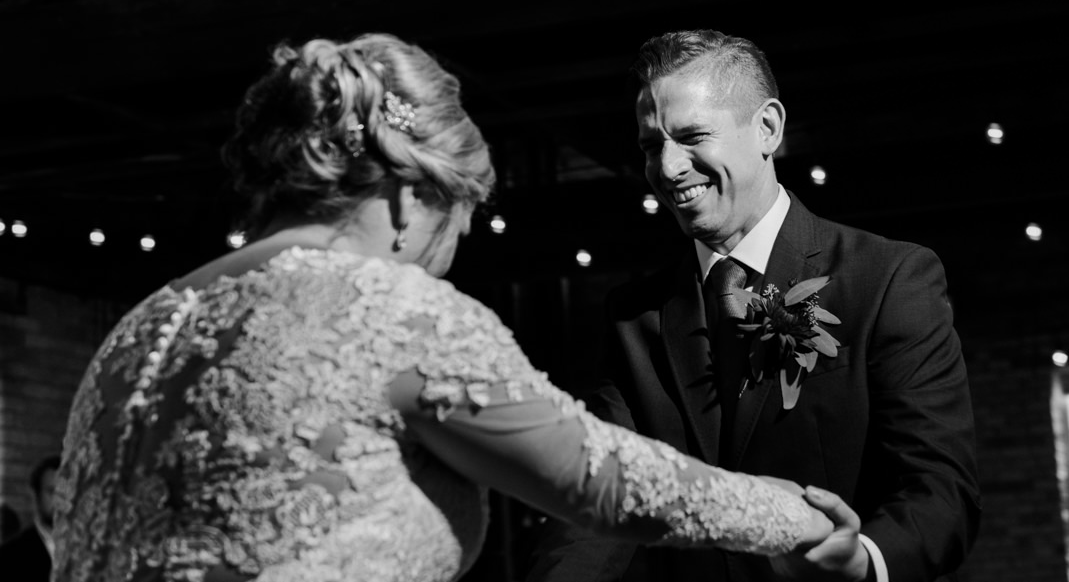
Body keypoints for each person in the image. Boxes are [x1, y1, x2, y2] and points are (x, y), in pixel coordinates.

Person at [51, 33, 834, 582]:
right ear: (405, 199)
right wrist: (793, 515)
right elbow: (607, 480)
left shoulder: (142, 323)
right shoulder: (389, 309)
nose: (447, 257)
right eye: (454, 221)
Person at [527, 30, 981, 582]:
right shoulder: (633, 317)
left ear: (767, 128)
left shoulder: (888, 279)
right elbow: (599, 501)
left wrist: (862, 559)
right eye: (651, 146)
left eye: (692, 136)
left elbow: (940, 490)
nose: (667, 168)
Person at [0, 455, 59, 582]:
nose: (60, 501)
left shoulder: (91, 549)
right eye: (52, 491)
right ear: (36, 496)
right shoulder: (10, 555)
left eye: (66, 493)